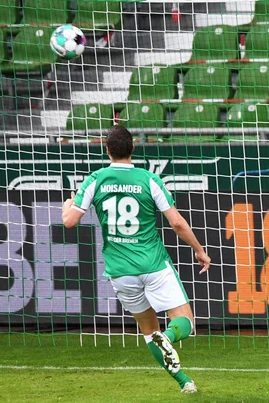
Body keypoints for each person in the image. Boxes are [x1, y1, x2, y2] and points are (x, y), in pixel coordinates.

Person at [61, 125, 211, 394]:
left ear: (107, 150)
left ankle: (185, 382)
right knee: (185, 322)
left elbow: (70, 221)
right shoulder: (147, 179)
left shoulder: (96, 178)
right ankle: (169, 337)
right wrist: (199, 250)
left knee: (148, 330)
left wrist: (65, 209)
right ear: (133, 148)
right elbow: (176, 223)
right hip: (153, 264)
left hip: (121, 271)